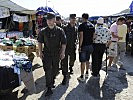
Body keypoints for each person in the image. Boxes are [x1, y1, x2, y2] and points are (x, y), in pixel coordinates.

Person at [38, 13, 67, 97]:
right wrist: (40, 52)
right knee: (47, 70)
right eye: (48, 20)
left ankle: (53, 79)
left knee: (56, 69)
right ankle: (49, 88)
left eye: (51, 20)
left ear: (54, 20)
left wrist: (62, 52)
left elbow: (64, 43)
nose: (49, 22)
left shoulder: (60, 30)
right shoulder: (43, 31)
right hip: (46, 53)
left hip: (56, 53)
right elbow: (39, 42)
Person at [77, 13, 95, 82]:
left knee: (83, 61)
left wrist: (80, 46)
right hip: (90, 45)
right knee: (88, 60)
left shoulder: (81, 26)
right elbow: (93, 36)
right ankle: (87, 73)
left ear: (82, 18)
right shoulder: (92, 25)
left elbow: (81, 37)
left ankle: (82, 76)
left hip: (84, 46)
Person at [61, 14, 78, 85]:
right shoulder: (64, 28)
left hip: (72, 47)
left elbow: (76, 37)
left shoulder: (76, 28)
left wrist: (76, 43)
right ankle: (65, 76)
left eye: (74, 19)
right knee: (64, 61)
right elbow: (62, 37)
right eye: (72, 18)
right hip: (66, 47)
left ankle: (71, 67)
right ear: (69, 19)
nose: (73, 20)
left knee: (73, 59)